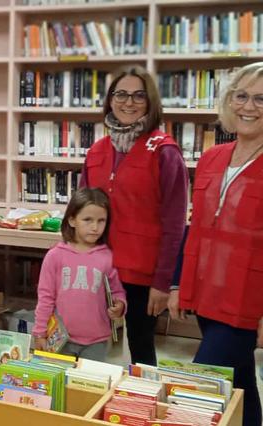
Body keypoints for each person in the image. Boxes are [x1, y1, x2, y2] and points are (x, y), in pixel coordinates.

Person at [168, 62, 263, 426]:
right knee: (240, 381)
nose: (248, 106)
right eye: (241, 96)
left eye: (260, 98)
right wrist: (178, 283)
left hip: (246, 301)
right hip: (207, 293)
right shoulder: (211, 158)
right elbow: (195, 227)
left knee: (200, 384)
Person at [81, 65, 188, 366]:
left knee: (140, 349)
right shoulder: (96, 151)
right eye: (121, 94)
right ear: (110, 100)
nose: (129, 102)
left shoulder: (165, 152)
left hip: (143, 276)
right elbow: (79, 210)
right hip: (97, 267)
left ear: (150, 101)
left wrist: (164, 283)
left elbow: (174, 224)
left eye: (138, 96)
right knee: (86, 340)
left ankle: (140, 408)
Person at [32, 188, 126, 362]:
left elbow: (117, 292)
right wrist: (39, 333)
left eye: (101, 221)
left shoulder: (108, 257)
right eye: (88, 220)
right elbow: (45, 298)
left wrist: (120, 306)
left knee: (88, 385)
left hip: (97, 341)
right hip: (60, 339)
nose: (95, 227)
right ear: (72, 220)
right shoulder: (55, 256)